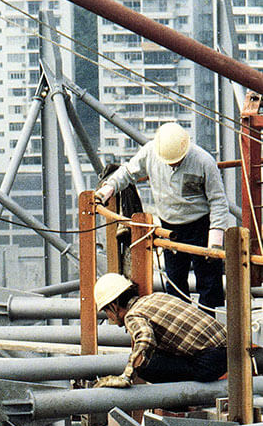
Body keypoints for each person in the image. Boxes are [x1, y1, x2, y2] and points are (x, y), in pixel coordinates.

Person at [95, 121, 229, 311]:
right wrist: (107, 190)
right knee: (175, 282)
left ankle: (210, 325)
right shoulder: (151, 153)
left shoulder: (203, 161)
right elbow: (126, 172)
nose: (173, 164)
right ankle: (179, 325)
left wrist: (215, 240)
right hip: (170, 228)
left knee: (209, 282)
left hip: (201, 227)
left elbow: (218, 201)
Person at [93, 272, 227, 387]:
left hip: (210, 362)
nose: (109, 317)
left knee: (147, 365)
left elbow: (145, 339)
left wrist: (127, 376)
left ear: (114, 306)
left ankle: (179, 403)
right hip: (230, 352)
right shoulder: (155, 297)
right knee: (157, 353)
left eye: (106, 311)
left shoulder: (132, 315)